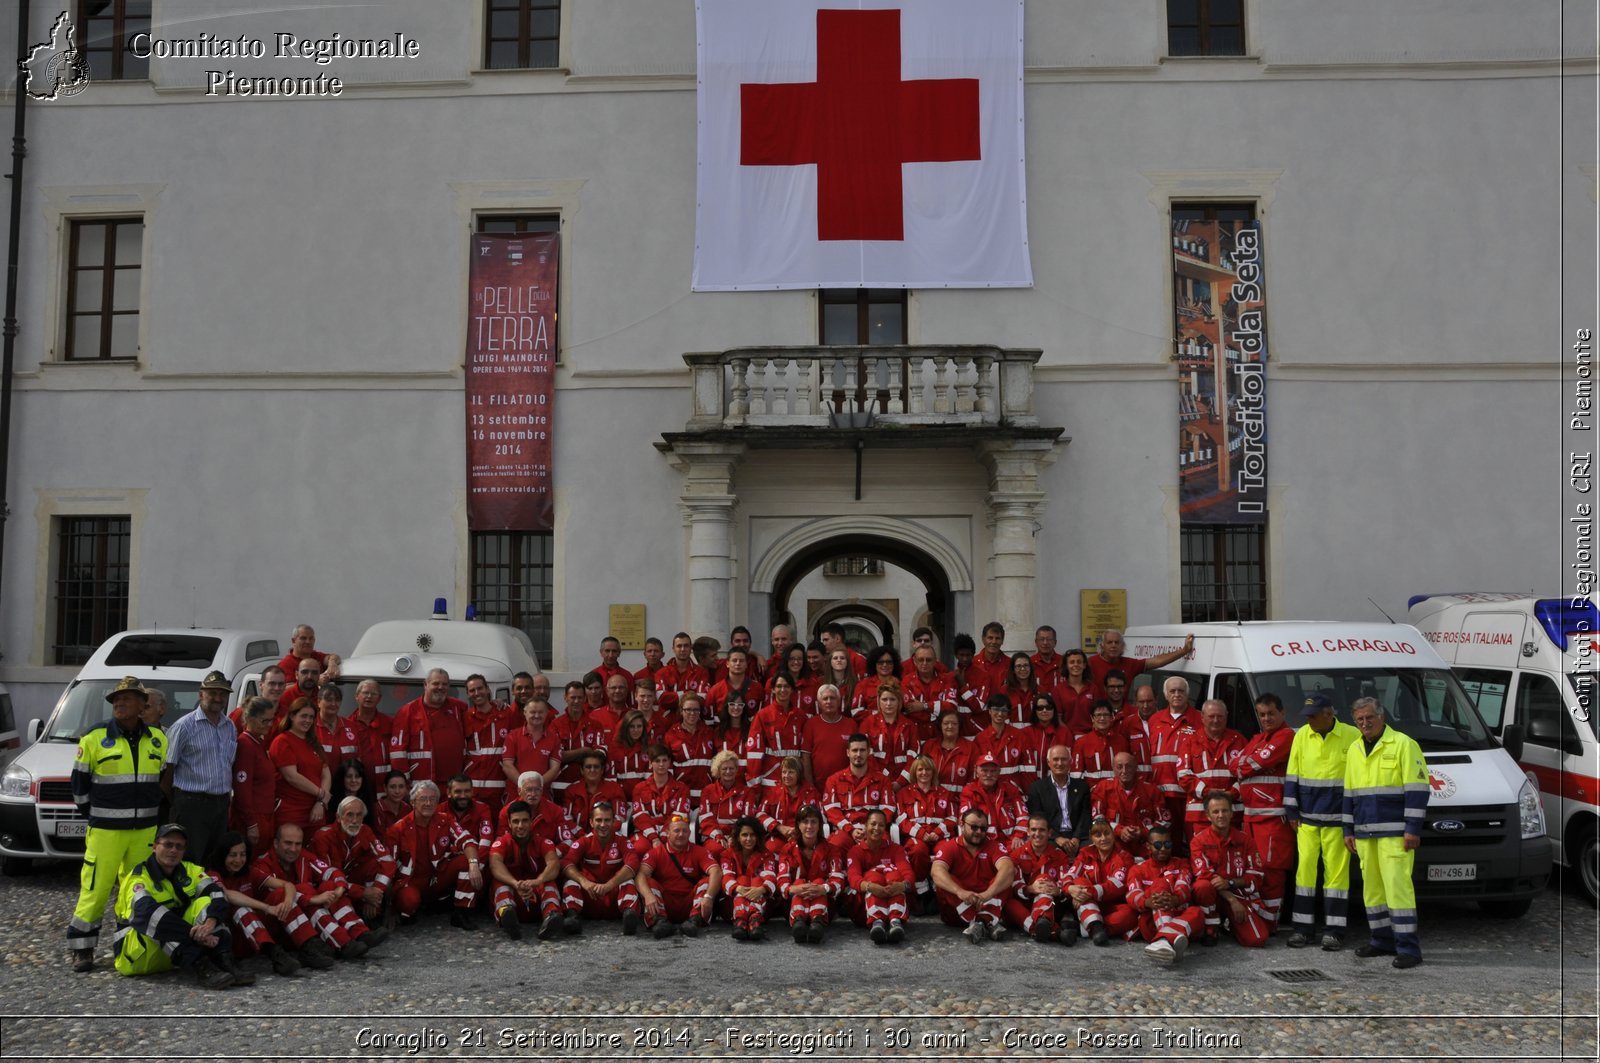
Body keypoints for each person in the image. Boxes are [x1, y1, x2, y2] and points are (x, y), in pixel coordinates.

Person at [69, 676, 168, 973]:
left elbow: (160, 780)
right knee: (95, 889)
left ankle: (126, 947)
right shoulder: (94, 738)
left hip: (144, 832)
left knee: (135, 891)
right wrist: (98, 816)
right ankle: (82, 949)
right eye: (116, 700)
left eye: (126, 699)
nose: (119, 704)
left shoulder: (157, 739)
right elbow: (79, 788)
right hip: (106, 832)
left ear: (142, 706)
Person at [1344, 697, 1429, 969]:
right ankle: (1381, 941)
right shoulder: (1355, 748)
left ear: (1382, 717)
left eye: (1369, 718)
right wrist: (1348, 829)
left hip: (1395, 833)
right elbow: (1349, 792)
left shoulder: (1404, 744)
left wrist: (1412, 829)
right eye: (1360, 720)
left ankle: (1408, 948)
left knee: (1398, 890)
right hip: (1365, 833)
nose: (1365, 723)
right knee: (1373, 891)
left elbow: (1418, 790)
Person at [112, 822, 244, 988]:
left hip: (173, 953)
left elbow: (217, 895)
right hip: (136, 956)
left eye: (179, 846)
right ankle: (203, 967)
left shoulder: (190, 870)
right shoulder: (138, 878)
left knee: (207, 903)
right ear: (154, 847)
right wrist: (192, 933)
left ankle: (224, 961)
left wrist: (209, 924)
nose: (173, 850)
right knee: (159, 921)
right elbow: (147, 915)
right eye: (168, 844)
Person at [1284, 692, 1360, 950]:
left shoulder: (1352, 735)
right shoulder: (1301, 737)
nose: (1309, 721)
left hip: (1338, 821)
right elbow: (1292, 775)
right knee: (1304, 874)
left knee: (1337, 880)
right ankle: (1302, 930)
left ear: (1329, 714)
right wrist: (1292, 812)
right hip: (1307, 821)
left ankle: (1334, 932)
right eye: (1307, 716)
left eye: (1313, 716)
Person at [249, 821, 378, 961]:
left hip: (306, 923)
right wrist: (311, 899)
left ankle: (358, 932)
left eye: (297, 844)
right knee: (302, 890)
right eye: (288, 843)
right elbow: (282, 895)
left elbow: (331, 872)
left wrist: (340, 888)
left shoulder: (304, 856)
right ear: (275, 843)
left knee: (329, 885)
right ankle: (332, 944)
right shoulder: (262, 865)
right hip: (278, 925)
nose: (293, 849)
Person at [160, 670, 238, 878]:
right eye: (212, 693)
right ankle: (185, 904)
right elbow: (168, 770)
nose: (218, 698)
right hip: (192, 804)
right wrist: (178, 802)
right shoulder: (184, 726)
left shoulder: (229, 726)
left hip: (220, 804)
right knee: (190, 859)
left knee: (216, 859)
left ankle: (209, 903)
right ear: (200, 694)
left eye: (222, 694)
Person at [1233, 692, 1297, 929]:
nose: (1266, 718)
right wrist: (1248, 764)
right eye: (1262, 714)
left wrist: (1248, 764)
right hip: (1252, 818)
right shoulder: (1259, 738)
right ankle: (1260, 918)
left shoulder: (1286, 736)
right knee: (1255, 869)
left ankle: (1271, 924)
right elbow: (1236, 765)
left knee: (1272, 872)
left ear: (1282, 713)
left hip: (1273, 819)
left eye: (1271, 713)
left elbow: (1251, 764)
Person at [206, 831, 308, 977]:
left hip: (254, 935)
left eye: (243, 854)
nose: (238, 860)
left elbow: (288, 885)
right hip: (231, 939)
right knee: (240, 908)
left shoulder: (249, 871)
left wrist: (286, 902)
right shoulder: (212, 874)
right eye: (232, 855)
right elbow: (228, 894)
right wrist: (267, 908)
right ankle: (274, 954)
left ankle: (309, 946)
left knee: (281, 894)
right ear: (222, 855)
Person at [386, 779, 483, 929]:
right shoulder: (397, 829)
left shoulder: (445, 819)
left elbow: (467, 840)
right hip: (411, 881)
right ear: (413, 802)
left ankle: (461, 912)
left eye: (432, 799)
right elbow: (388, 868)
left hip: (438, 878)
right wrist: (389, 909)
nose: (428, 803)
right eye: (423, 799)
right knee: (409, 901)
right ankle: (413, 909)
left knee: (466, 860)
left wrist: (474, 864)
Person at [1189, 791, 1271, 947]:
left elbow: (1256, 878)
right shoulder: (1198, 841)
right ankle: (1210, 927)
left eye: (1225, 810)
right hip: (1214, 895)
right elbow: (1205, 876)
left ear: (1232, 813)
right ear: (1208, 816)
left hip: (1238, 893)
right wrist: (1231, 900)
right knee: (1202, 886)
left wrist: (1231, 883)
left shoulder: (1245, 840)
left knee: (1257, 939)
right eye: (1215, 811)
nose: (1221, 815)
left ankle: (1230, 924)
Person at [931, 806, 1016, 943]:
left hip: (985, 901)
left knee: (1004, 879)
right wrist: (960, 892)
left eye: (983, 829)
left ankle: (980, 923)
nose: (979, 832)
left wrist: (987, 894)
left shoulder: (994, 846)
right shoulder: (949, 846)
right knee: (945, 881)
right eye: (974, 827)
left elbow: (1008, 869)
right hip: (958, 910)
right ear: (962, 825)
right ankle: (986, 922)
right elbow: (936, 871)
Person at [309, 796, 396, 924]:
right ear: (338, 817)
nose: (355, 820)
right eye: (349, 815)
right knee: (330, 885)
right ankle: (349, 925)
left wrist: (375, 892)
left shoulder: (365, 830)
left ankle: (372, 914)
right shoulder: (323, 837)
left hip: (351, 881)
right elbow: (326, 877)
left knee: (374, 865)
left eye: (359, 815)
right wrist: (364, 892)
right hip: (327, 886)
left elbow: (387, 861)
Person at [1126, 823, 1205, 965]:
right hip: (1152, 923)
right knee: (1160, 885)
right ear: (1148, 846)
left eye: (1167, 844)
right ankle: (1167, 938)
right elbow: (1133, 895)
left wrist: (1175, 900)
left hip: (1181, 917)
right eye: (1157, 845)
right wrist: (1148, 902)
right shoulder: (1137, 869)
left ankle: (1164, 941)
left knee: (1197, 912)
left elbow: (1184, 885)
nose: (1163, 849)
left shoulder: (1182, 863)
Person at [560, 801, 642, 934]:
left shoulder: (622, 841)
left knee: (628, 881)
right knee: (570, 882)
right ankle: (572, 918)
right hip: (590, 896)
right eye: (599, 820)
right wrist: (584, 882)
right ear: (591, 822)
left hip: (614, 897)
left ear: (614, 821)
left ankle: (629, 916)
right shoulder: (583, 841)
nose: (603, 825)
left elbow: (633, 864)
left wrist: (609, 885)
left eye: (607, 820)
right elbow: (566, 863)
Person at [636, 812, 721, 938]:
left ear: (690, 834)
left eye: (685, 831)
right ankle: (658, 921)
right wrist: (648, 895)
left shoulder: (699, 851)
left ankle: (695, 921)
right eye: (676, 831)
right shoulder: (656, 852)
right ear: (667, 833)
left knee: (707, 880)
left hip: (689, 904)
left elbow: (716, 871)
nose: (681, 834)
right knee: (648, 882)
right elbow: (640, 875)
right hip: (665, 903)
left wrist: (709, 897)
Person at [488, 799, 564, 940]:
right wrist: (515, 883)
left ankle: (551, 916)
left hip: (536, 896)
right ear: (509, 823)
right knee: (499, 882)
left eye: (524, 821)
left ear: (531, 822)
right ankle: (507, 915)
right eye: (516, 822)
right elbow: (495, 864)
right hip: (513, 893)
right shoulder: (501, 842)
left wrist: (537, 881)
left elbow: (554, 864)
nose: (520, 826)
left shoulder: (544, 842)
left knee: (549, 882)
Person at [1176, 699, 1246, 842]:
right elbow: (1183, 775)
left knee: (1232, 855)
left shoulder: (1239, 740)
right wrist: (1208, 792)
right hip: (1200, 815)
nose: (1216, 720)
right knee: (1202, 855)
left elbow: (1247, 775)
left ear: (1226, 717)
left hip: (1231, 814)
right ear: (1202, 717)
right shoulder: (1190, 741)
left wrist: (1232, 793)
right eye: (1211, 716)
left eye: (1220, 717)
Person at [1063, 816, 1137, 946]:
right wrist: (1070, 888)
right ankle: (1097, 928)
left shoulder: (1124, 857)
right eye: (1098, 835)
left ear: (1113, 834)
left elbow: (1116, 886)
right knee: (1080, 880)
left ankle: (1082, 929)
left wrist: (1087, 892)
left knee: (1129, 914)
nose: (1103, 838)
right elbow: (1071, 874)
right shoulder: (1085, 852)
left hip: (1109, 904)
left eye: (1107, 833)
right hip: (1087, 901)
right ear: (1091, 838)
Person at [388, 668, 469, 786]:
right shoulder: (407, 712)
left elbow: (479, 714)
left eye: (444, 684)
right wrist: (402, 785)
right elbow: (398, 752)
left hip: (454, 786)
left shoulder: (459, 708)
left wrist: (495, 703)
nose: (440, 687)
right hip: (421, 785)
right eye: (436, 683)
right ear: (425, 685)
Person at [896, 755, 958, 909]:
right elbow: (901, 819)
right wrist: (921, 833)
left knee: (946, 851)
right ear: (914, 772)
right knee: (918, 851)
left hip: (940, 835)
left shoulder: (944, 793)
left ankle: (941, 891)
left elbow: (953, 817)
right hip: (916, 836)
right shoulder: (904, 793)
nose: (924, 773)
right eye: (920, 769)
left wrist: (938, 831)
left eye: (928, 769)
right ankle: (922, 893)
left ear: (933, 771)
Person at [844, 808, 914, 943]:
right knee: (874, 876)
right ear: (865, 826)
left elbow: (908, 874)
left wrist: (902, 885)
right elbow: (853, 878)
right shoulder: (855, 851)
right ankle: (877, 921)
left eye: (881, 825)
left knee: (894, 875)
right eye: (873, 824)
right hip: (864, 908)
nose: (877, 828)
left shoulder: (896, 849)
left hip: (893, 895)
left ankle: (895, 921)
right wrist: (871, 886)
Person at [776, 805, 843, 944]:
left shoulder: (832, 850)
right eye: (805, 822)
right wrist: (792, 889)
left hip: (823, 902)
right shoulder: (787, 849)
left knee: (819, 881)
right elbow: (782, 879)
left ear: (819, 825)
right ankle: (798, 922)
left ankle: (817, 922)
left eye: (813, 822)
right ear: (798, 825)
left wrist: (823, 888)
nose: (809, 826)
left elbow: (838, 879)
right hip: (793, 902)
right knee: (799, 882)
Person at [1004, 814, 1073, 942]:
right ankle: (1055, 932)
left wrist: (1058, 891)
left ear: (1049, 833)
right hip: (1025, 903)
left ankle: (1044, 923)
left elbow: (1066, 881)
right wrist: (1030, 889)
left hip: (1050, 903)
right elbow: (1013, 883)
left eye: (1042, 830)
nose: (1037, 833)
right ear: (1028, 832)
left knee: (1043, 879)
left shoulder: (1059, 855)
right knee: (1009, 904)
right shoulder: (1017, 854)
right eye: (1034, 830)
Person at [821, 735, 894, 853]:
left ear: (869, 752)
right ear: (848, 752)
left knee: (884, 845)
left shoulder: (883, 780)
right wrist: (850, 829)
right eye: (855, 750)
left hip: (874, 830)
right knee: (835, 845)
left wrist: (870, 829)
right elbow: (832, 811)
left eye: (862, 750)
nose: (858, 754)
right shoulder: (834, 780)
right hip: (846, 831)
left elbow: (888, 809)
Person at [1149, 676, 1203, 831]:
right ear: (1166, 695)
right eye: (1172, 691)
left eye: (1181, 691)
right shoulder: (1155, 720)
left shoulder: (1199, 719)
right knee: (1165, 838)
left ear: (1187, 694)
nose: (1177, 694)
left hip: (1188, 792)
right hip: (1160, 792)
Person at [1091, 751, 1169, 859]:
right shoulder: (1103, 788)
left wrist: (1143, 832)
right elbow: (1096, 819)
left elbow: (1165, 822)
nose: (1124, 771)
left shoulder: (1151, 790)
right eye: (1119, 767)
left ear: (1136, 767)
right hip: (1115, 847)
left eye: (1128, 766)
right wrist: (1119, 830)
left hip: (1146, 847)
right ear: (1113, 769)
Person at [271, 700, 331, 833]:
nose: (308, 720)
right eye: (303, 716)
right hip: (291, 811)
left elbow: (326, 773)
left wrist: (320, 802)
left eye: (311, 717)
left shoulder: (313, 742)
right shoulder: (282, 741)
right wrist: (321, 794)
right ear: (292, 716)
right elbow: (291, 776)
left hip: (316, 810)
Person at [462, 673, 518, 810]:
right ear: (468, 694)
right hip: (473, 790)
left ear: (487, 689)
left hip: (499, 789)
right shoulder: (465, 717)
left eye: (480, 688)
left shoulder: (506, 714)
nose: (477, 693)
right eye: (472, 690)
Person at [1025, 744, 1090, 857]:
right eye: (1055, 759)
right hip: (1050, 837)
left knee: (1094, 848)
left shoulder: (1082, 787)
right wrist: (1057, 838)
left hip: (1078, 837)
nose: (1059, 763)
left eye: (1064, 759)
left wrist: (1076, 838)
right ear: (1048, 762)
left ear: (1070, 762)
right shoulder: (1037, 788)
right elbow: (1037, 817)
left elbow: (1085, 816)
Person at [230, 696, 277, 849]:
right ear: (250, 718)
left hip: (265, 815)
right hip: (254, 817)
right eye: (265, 721)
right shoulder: (246, 745)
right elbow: (242, 788)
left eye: (271, 720)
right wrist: (251, 823)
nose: (269, 725)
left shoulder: (258, 742)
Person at [718, 816, 777, 941]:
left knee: (756, 880)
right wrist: (738, 888)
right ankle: (740, 920)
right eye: (744, 835)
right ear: (738, 837)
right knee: (743, 880)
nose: (749, 839)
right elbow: (726, 878)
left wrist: (761, 889)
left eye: (752, 835)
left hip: (762, 906)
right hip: (731, 905)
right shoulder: (727, 854)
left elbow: (771, 878)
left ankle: (754, 920)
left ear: (758, 837)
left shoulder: (767, 855)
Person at [745, 672, 808, 788]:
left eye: (786, 686)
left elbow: (805, 751)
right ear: (773, 690)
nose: (782, 690)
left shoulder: (801, 716)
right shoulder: (763, 715)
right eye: (779, 686)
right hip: (770, 780)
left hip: (795, 780)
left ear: (792, 689)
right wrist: (754, 784)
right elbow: (754, 752)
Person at [959, 753, 1029, 848]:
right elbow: (966, 820)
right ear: (976, 771)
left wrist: (1018, 836)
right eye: (984, 770)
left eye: (993, 771)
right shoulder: (970, 791)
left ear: (999, 772)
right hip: (983, 843)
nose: (989, 775)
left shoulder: (1010, 789)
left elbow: (1023, 816)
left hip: (1012, 843)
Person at [857, 677, 919, 784]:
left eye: (892, 699)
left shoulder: (909, 725)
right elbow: (866, 756)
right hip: (876, 781)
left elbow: (914, 758)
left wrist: (900, 782)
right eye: (884, 699)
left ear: (899, 701)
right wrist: (885, 778)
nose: (888, 703)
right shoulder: (867, 724)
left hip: (904, 783)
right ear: (878, 701)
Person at [698, 749, 759, 855]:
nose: (728, 772)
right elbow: (706, 818)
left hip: (739, 836)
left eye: (731, 768)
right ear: (718, 771)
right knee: (716, 850)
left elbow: (748, 818)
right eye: (724, 768)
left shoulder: (747, 792)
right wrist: (718, 836)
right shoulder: (708, 790)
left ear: (736, 770)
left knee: (736, 851)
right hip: (714, 836)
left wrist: (734, 837)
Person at [630, 745, 691, 849]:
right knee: (639, 848)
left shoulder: (682, 788)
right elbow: (639, 816)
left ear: (669, 762)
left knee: (673, 847)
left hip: (672, 832)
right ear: (650, 763)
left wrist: (663, 836)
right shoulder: (639, 788)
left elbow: (679, 815)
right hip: (646, 832)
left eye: (664, 760)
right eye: (657, 761)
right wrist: (654, 837)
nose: (661, 764)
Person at [1087, 628, 1194, 687]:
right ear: (1102, 645)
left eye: (1117, 642)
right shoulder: (1091, 663)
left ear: (1122, 646)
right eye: (1109, 642)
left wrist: (1184, 650)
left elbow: (1156, 661)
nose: (1114, 645)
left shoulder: (1129, 664)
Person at [502, 690, 562, 791]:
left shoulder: (554, 739)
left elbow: (555, 769)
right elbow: (507, 766)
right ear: (525, 713)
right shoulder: (512, 736)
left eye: (541, 712)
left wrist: (536, 787)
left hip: (543, 794)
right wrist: (524, 786)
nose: (537, 716)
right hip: (516, 793)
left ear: (547, 713)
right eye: (533, 712)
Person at [758, 756, 820, 851]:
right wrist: (779, 827)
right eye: (784, 772)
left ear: (799, 774)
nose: (786, 776)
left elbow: (820, 817)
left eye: (791, 772)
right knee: (770, 848)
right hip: (779, 836)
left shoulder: (811, 792)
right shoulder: (773, 791)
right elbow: (760, 815)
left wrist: (799, 832)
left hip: (805, 838)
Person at [664, 693, 717, 803]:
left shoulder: (709, 733)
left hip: (706, 796)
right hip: (681, 797)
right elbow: (667, 768)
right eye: (688, 709)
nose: (692, 713)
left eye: (696, 710)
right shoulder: (671, 735)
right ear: (681, 711)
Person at [800, 683, 854, 788]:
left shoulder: (851, 724)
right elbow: (805, 757)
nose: (829, 701)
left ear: (839, 702)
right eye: (825, 699)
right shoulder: (811, 724)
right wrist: (810, 786)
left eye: (832, 698)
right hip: (818, 786)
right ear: (819, 703)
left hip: (845, 785)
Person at [564, 752, 627, 837]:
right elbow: (566, 818)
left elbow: (619, 818)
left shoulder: (614, 789)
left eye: (596, 767)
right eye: (588, 766)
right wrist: (582, 836)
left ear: (602, 770)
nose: (592, 770)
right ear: (582, 770)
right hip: (577, 838)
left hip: (605, 838)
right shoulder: (571, 790)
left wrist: (598, 836)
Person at [900, 644, 955, 739]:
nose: (924, 663)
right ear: (915, 662)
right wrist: (937, 713)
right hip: (916, 736)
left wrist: (924, 706)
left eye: (928, 660)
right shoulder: (907, 681)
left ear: (935, 661)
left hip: (940, 736)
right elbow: (911, 709)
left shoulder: (947, 680)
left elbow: (951, 707)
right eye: (921, 660)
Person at [1072, 699, 1129, 788]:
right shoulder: (1082, 743)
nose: (1102, 718)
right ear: (1092, 718)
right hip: (1092, 795)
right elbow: (1076, 776)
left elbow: (1127, 772)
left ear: (1112, 717)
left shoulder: (1121, 741)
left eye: (1106, 715)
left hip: (1117, 794)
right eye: (1098, 715)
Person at [921, 708, 977, 795]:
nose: (950, 726)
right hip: (932, 799)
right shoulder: (929, 746)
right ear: (940, 725)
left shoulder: (971, 748)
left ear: (959, 726)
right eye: (946, 723)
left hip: (960, 801)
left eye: (954, 724)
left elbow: (973, 779)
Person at [654, 632, 710, 715]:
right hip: (668, 722)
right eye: (679, 646)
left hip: (693, 720)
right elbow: (662, 699)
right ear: (673, 649)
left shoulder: (701, 673)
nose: (683, 649)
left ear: (691, 648)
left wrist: (673, 697)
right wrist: (688, 694)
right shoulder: (661, 673)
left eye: (686, 646)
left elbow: (702, 699)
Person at [347, 679, 394, 777]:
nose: (369, 696)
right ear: (357, 696)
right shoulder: (346, 725)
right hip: (357, 783)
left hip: (384, 783)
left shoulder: (390, 723)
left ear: (379, 698)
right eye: (365, 693)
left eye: (374, 694)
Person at [312, 684, 361, 776]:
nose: (334, 704)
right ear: (318, 702)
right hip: (318, 784)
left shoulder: (351, 726)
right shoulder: (310, 726)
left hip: (345, 786)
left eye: (337, 700)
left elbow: (358, 758)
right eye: (329, 700)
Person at [1054, 650, 1100, 737]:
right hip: (1067, 736)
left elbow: (1097, 715)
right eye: (1072, 662)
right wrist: (1068, 735)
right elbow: (1058, 719)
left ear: (1084, 665)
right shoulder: (1058, 690)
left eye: (1079, 662)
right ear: (1066, 666)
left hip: (1090, 735)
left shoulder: (1093, 688)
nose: (1076, 665)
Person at [275, 624, 342, 683]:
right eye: (303, 638)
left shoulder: (316, 656)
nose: (308, 642)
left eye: (311, 638)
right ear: (293, 641)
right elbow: (285, 689)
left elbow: (334, 656)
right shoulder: (285, 664)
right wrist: (314, 681)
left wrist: (332, 663)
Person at [853, 646, 901, 714]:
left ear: (894, 664)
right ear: (874, 664)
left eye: (889, 662)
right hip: (870, 723)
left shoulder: (901, 684)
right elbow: (855, 711)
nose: (885, 665)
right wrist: (879, 715)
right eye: (880, 662)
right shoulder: (863, 685)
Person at [971, 622, 1012, 694]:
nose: (994, 642)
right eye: (990, 638)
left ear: (1002, 640)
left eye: (997, 638)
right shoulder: (972, 663)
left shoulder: (1010, 664)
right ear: (983, 639)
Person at [1001, 651, 1039, 724]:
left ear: (1031, 668)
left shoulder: (1040, 690)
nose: (1022, 669)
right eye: (1018, 666)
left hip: (1035, 732)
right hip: (1012, 732)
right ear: (1013, 670)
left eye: (1026, 665)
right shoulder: (1004, 691)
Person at [373, 770, 411, 837]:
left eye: (401, 786)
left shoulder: (408, 809)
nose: (397, 791)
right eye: (392, 787)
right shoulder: (376, 810)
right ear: (385, 788)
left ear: (406, 788)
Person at [1030, 625, 1064, 690]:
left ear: (1055, 642)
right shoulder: (1029, 663)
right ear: (1036, 642)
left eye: (1049, 639)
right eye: (1041, 639)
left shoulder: (1064, 662)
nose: (1045, 643)